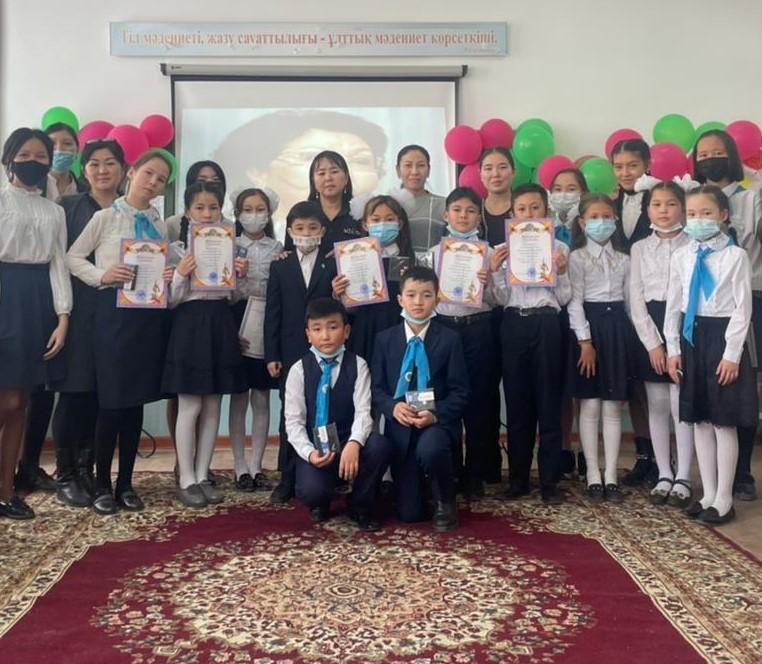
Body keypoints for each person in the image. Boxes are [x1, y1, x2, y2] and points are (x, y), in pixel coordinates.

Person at [67, 149, 174, 516]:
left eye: (161, 179)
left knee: (135, 403)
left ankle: (126, 484)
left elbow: (165, 265)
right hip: (111, 318)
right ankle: (101, 485)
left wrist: (167, 275)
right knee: (111, 402)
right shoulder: (105, 217)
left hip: (147, 318)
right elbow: (72, 258)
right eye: (148, 173)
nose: (153, 182)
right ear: (131, 172)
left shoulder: (158, 223)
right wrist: (103, 275)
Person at [665, 185, 756, 524]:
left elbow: (742, 309)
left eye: (706, 213)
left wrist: (732, 354)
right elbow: (674, 304)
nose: (698, 219)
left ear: (723, 215)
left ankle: (724, 498)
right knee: (700, 420)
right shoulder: (682, 255)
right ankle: (708, 493)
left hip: (722, 338)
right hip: (692, 338)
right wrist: (673, 348)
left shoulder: (736, 256)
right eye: (692, 214)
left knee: (722, 421)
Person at [49, 139, 126, 507]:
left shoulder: (133, 210)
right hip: (77, 311)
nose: (102, 170)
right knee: (74, 390)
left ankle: (89, 469)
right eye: (94, 163)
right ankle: (66, 472)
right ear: (84, 169)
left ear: (123, 169)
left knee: (103, 394)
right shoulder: (67, 208)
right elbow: (58, 261)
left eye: (110, 162)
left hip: (121, 315)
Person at [162, 181, 248, 508]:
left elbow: (233, 297)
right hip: (189, 324)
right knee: (190, 405)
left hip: (220, 322)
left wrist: (239, 276)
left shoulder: (230, 246)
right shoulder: (177, 250)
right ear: (187, 212)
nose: (207, 213)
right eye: (199, 207)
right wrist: (180, 274)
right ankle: (185, 477)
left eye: (213, 207)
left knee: (213, 405)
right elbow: (170, 301)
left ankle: (202, 475)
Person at [0, 127, 71, 519]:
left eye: (41, 156)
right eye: (24, 155)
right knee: (7, 399)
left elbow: (58, 264)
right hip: (5, 296)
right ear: (9, 158)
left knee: (21, 402)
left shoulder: (54, 211)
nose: (33, 162)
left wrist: (63, 316)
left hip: (38, 302)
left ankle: (7, 491)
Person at [371, 266, 469, 531]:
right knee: (410, 514)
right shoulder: (384, 340)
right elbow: (376, 389)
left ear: (437, 298)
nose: (418, 302)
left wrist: (435, 414)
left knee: (431, 448)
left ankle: (445, 500)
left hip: (436, 427)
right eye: (411, 295)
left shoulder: (449, 339)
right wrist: (393, 408)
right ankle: (420, 488)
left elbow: (460, 392)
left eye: (426, 295)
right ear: (399, 299)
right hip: (401, 430)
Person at [491, 183, 571, 503]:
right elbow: (500, 299)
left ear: (546, 211)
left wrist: (561, 272)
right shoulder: (501, 249)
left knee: (548, 401)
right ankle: (518, 479)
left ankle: (550, 481)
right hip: (514, 323)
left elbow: (564, 297)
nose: (528, 214)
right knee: (517, 402)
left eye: (535, 207)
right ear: (512, 213)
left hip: (547, 323)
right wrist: (495, 271)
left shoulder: (559, 249)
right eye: (522, 209)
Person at [692, 129, 761, 501]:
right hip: (702, 308)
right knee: (707, 389)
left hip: (747, 298)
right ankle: (712, 479)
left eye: (717, 153)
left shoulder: (752, 197)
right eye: (702, 155)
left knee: (740, 383)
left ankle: (742, 472)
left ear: (731, 156)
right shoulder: (692, 199)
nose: (709, 160)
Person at [285, 298, 390, 529]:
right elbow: (294, 423)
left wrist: (354, 443)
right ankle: (322, 499)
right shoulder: (298, 370)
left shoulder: (359, 365)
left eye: (333, 327)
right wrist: (310, 453)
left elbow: (364, 413)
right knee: (312, 491)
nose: (325, 336)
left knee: (379, 446)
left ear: (346, 331)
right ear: (308, 334)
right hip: (316, 445)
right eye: (317, 329)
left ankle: (360, 505)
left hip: (348, 440)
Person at [265, 201, 338, 504]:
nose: (306, 233)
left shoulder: (333, 264)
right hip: (291, 350)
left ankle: (330, 472)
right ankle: (288, 476)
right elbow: (273, 312)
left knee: (326, 408)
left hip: (327, 347)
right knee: (291, 413)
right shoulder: (280, 265)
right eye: (300, 228)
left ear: (322, 230)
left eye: (312, 227)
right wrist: (272, 354)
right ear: (290, 231)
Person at [629, 179, 695, 507]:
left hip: (685, 324)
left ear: (682, 207)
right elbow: (635, 298)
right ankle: (664, 473)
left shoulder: (693, 244)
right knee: (656, 403)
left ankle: (684, 475)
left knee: (680, 404)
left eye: (671, 204)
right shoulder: (639, 248)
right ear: (648, 210)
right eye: (656, 204)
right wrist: (653, 344)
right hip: (650, 328)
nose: (664, 210)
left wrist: (674, 344)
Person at [427, 187, 495, 500]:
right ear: (446, 215)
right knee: (445, 397)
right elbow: (424, 298)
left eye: (470, 210)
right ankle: (451, 468)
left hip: (479, 327)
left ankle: (476, 473)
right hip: (444, 327)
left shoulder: (490, 253)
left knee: (479, 400)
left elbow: (499, 299)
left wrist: (489, 283)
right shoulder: (433, 254)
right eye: (457, 210)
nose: (463, 216)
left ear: (479, 217)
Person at [213, 109, 386, 230]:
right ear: (258, 173)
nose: (330, 177)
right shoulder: (249, 233)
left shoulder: (367, 225)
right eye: (309, 157)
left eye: (361, 160)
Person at [567, 193, 632, 503]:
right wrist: (585, 341)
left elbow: (631, 303)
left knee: (613, 406)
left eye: (607, 216)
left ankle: (611, 475)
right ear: (582, 222)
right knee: (590, 405)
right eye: (594, 217)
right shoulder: (576, 258)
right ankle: (593, 473)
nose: (601, 222)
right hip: (588, 331)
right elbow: (575, 302)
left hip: (618, 329)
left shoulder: (625, 259)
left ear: (615, 220)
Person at [228, 186, 283, 492]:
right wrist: (239, 277)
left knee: (261, 397)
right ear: (237, 214)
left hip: (266, 322)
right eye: (247, 210)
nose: (254, 215)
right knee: (239, 397)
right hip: (236, 320)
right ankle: (239, 467)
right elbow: (225, 294)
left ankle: (257, 465)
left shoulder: (278, 248)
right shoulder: (230, 245)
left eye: (260, 209)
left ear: (269, 213)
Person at [610, 138, 657, 487]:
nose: (625, 172)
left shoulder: (661, 201)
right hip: (616, 308)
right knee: (634, 386)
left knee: (657, 387)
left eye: (632, 165)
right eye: (619, 166)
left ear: (647, 165)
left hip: (652, 305)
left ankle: (665, 459)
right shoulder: (608, 205)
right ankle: (644, 456)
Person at [333, 192, 415, 364]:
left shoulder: (410, 260)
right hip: (365, 329)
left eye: (389, 219)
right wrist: (339, 293)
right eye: (376, 220)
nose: (383, 224)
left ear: (400, 223)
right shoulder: (352, 258)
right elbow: (349, 307)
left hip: (399, 328)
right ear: (365, 224)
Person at [548, 168, 589, 479]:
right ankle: (563, 448)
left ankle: (587, 450)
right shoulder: (540, 228)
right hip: (553, 313)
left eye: (571, 188)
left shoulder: (590, 225)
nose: (564, 194)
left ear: (583, 193)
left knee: (585, 386)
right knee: (560, 386)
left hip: (586, 312)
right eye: (558, 188)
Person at [282, 150, 363, 253]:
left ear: (346, 178)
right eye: (321, 173)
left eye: (334, 172)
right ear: (313, 180)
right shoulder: (301, 213)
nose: (328, 178)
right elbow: (290, 251)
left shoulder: (359, 213)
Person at [396, 145, 447, 262]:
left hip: (431, 271)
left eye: (421, 165)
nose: (414, 172)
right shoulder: (387, 205)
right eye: (408, 165)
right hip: (393, 271)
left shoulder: (444, 205)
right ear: (398, 170)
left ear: (429, 170)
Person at [166, 161, 227, 242]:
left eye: (216, 181)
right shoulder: (173, 224)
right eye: (201, 181)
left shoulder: (229, 227)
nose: (209, 184)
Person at [479, 147, 514, 246]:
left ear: (513, 172)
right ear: (480, 174)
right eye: (488, 168)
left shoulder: (526, 208)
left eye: (502, 167)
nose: (495, 174)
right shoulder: (473, 209)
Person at [45, 122, 81, 201]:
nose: (59, 149)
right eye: (52, 144)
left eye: (67, 143)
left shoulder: (85, 190)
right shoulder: (32, 187)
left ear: (77, 150)